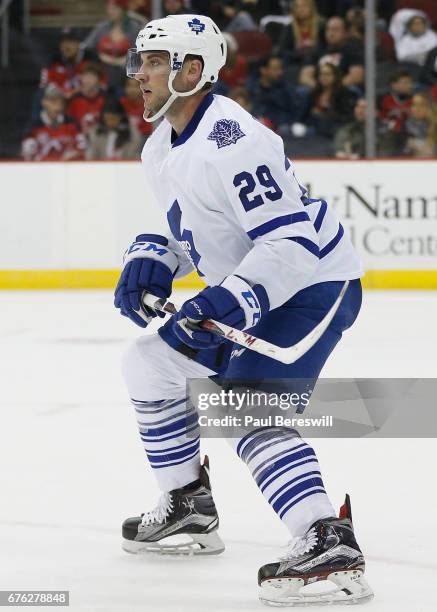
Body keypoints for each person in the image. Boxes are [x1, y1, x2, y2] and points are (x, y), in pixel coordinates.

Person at [115, 13, 374, 607]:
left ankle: (326, 539)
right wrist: (155, 255)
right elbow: (205, 233)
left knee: (246, 405)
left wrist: (225, 301)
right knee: (148, 364)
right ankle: (188, 507)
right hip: (261, 284)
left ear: (194, 70)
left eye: (158, 62)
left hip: (313, 283)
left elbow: (291, 244)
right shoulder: (162, 145)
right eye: (143, 61)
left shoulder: (236, 139)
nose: (142, 74)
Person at [83, 0, 144, 89]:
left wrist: (123, 60)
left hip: (127, 71)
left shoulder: (134, 27)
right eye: (109, 9)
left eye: (114, 9)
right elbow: (87, 47)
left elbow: (141, 50)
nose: (111, 12)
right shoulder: (102, 27)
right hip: (102, 69)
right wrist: (100, 56)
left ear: (123, 10)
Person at [22, 85, 86, 161]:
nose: (57, 103)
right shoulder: (34, 125)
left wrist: (72, 155)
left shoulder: (72, 122)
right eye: (52, 100)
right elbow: (28, 155)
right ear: (43, 102)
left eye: (60, 100)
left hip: (68, 169)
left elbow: (82, 149)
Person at [278, 0, 325, 66]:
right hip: (296, 60)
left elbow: (326, 46)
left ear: (311, 7)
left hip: (316, 58)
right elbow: (282, 50)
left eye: (304, 6)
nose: (301, 9)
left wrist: (314, 46)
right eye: (297, 6)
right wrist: (297, 51)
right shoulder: (289, 28)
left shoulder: (321, 25)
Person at [66, 64, 106, 135]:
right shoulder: (74, 99)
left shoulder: (105, 98)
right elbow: (69, 122)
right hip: (79, 136)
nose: (87, 80)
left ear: (99, 80)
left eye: (91, 77)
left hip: (101, 137)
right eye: (85, 76)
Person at [401, 92, 437, 157]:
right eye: (414, 105)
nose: (417, 109)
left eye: (422, 105)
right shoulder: (405, 127)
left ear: (430, 107)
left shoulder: (435, 126)